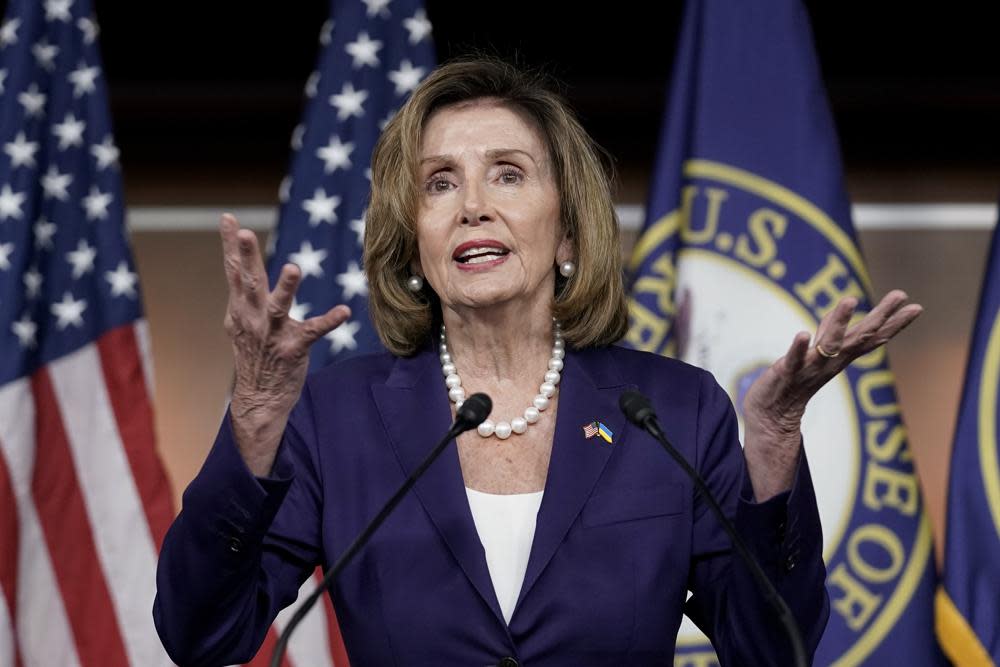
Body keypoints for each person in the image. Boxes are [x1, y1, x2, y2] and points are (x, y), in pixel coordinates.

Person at [153, 59, 922, 666]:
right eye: (439, 182)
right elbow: (200, 635)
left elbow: (772, 650)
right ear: (415, 239)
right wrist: (253, 419)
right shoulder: (337, 416)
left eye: (508, 173)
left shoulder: (672, 409)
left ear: (567, 233)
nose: (472, 204)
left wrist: (778, 438)